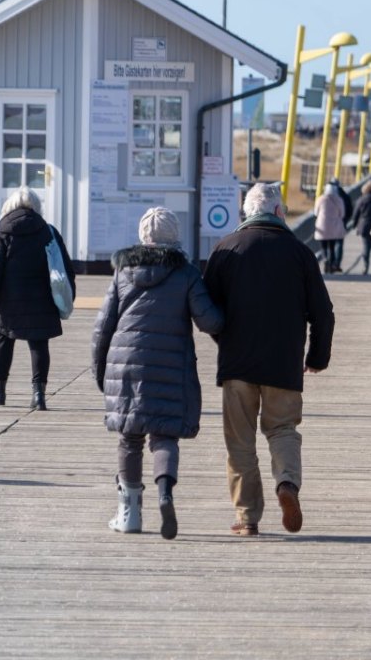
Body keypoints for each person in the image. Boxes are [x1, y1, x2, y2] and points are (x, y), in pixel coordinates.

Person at [203, 183, 335, 538]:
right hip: (283, 364)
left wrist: (224, 338)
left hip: (237, 364)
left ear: (245, 213)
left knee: (240, 441)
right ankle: (287, 484)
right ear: (279, 213)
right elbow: (323, 313)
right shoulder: (299, 253)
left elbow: (207, 310)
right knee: (283, 430)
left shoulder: (225, 248)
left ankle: (247, 517)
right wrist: (316, 357)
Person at [91, 208, 224, 540]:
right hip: (170, 365)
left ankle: (130, 514)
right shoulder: (187, 274)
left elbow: (103, 327)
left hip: (126, 366)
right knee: (164, 436)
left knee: (130, 437)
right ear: (175, 237)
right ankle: (165, 493)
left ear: (142, 237)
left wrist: (100, 370)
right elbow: (210, 321)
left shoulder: (123, 272)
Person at [0, 187, 76, 411]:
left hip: (8, 300)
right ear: (36, 206)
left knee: (3, 340)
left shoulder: (4, 233)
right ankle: (38, 395)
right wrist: (70, 297)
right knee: (39, 344)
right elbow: (66, 267)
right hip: (43, 298)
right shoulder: (48, 231)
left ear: (9, 206)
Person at [313, 180, 350, 274]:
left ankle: (325, 259)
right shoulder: (339, 199)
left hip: (322, 226)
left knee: (323, 246)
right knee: (332, 247)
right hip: (334, 226)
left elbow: (315, 212)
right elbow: (342, 214)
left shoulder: (320, 199)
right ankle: (331, 263)